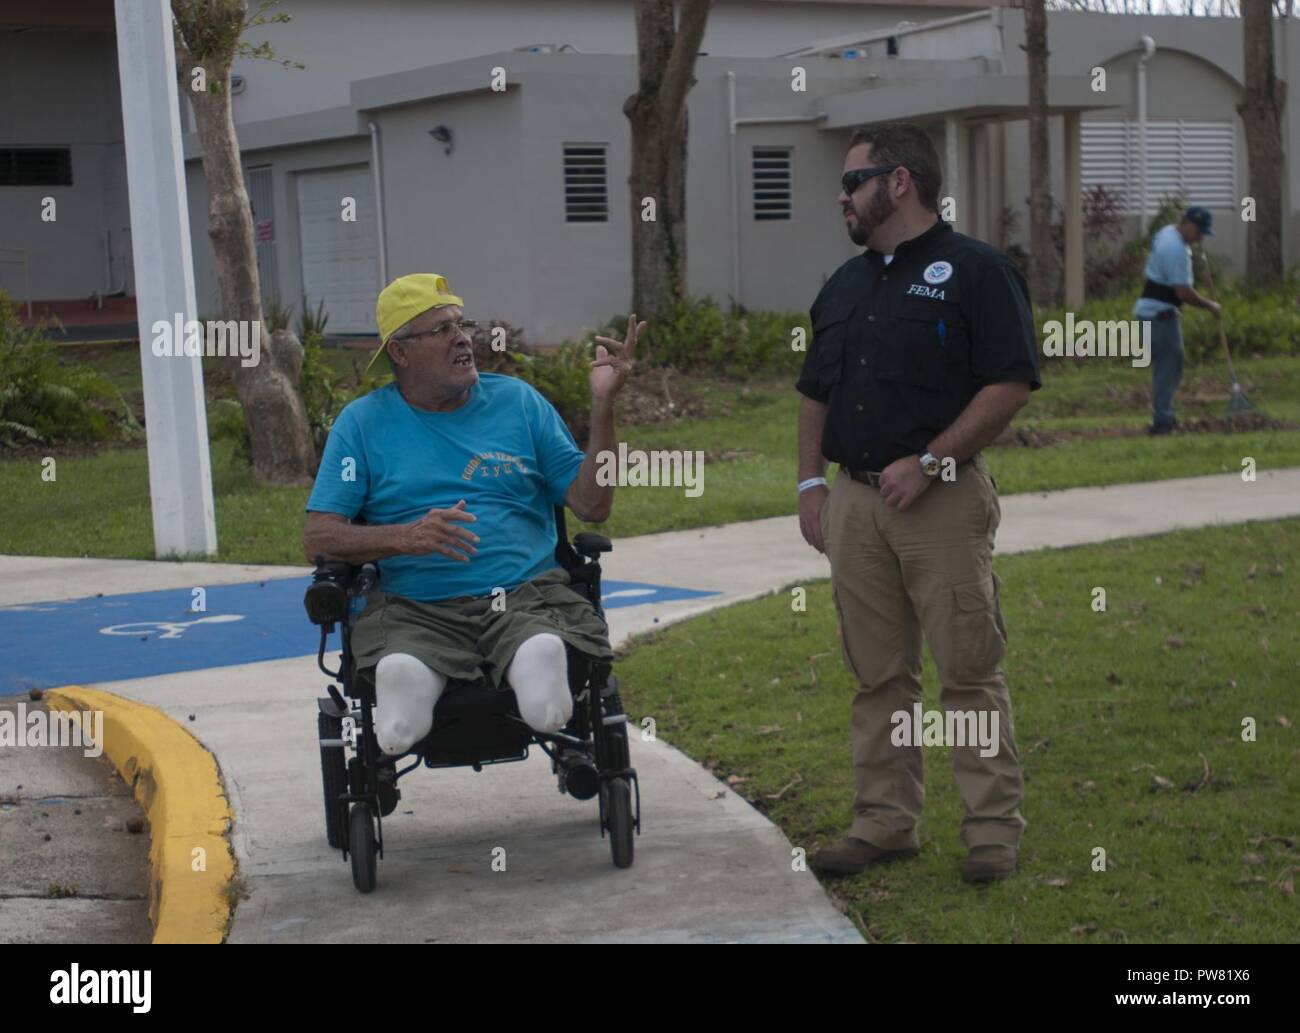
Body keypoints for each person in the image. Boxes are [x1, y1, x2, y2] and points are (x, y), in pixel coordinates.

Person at [796, 123, 1040, 883]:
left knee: (967, 667)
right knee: (878, 673)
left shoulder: (978, 271)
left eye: (852, 182)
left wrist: (933, 461)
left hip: (941, 504)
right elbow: (814, 392)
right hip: (856, 503)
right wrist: (811, 484)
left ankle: (991, 830)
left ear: (899, 182)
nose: (842, 197)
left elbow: (1010, 383)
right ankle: (886, 819)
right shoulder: (844, 283)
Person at [303, 272, 643, 768]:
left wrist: (603, 405)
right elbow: (318, 536)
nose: (463, 339)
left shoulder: (518, 403)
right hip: (416, 608)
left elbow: (593, 505)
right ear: (400, 352)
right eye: (441, 330)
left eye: (462, 325)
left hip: (526, 597)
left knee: (544, 674)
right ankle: (409, 688)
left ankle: (540, 673)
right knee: (398, 715)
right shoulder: (362, 424)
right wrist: (407, 537)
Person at [1134, 206, 1222, 435]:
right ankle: (1163, 422)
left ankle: (1164, 415)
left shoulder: (1167, 233)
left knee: (1166, 366)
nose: (1201, 238)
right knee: (1168, 367)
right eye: (1199, 232)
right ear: (1189, 226)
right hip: (1160, 315)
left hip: (1147, 312)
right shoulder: (1176, 249)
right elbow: (1182, 292)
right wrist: (1210, 306)